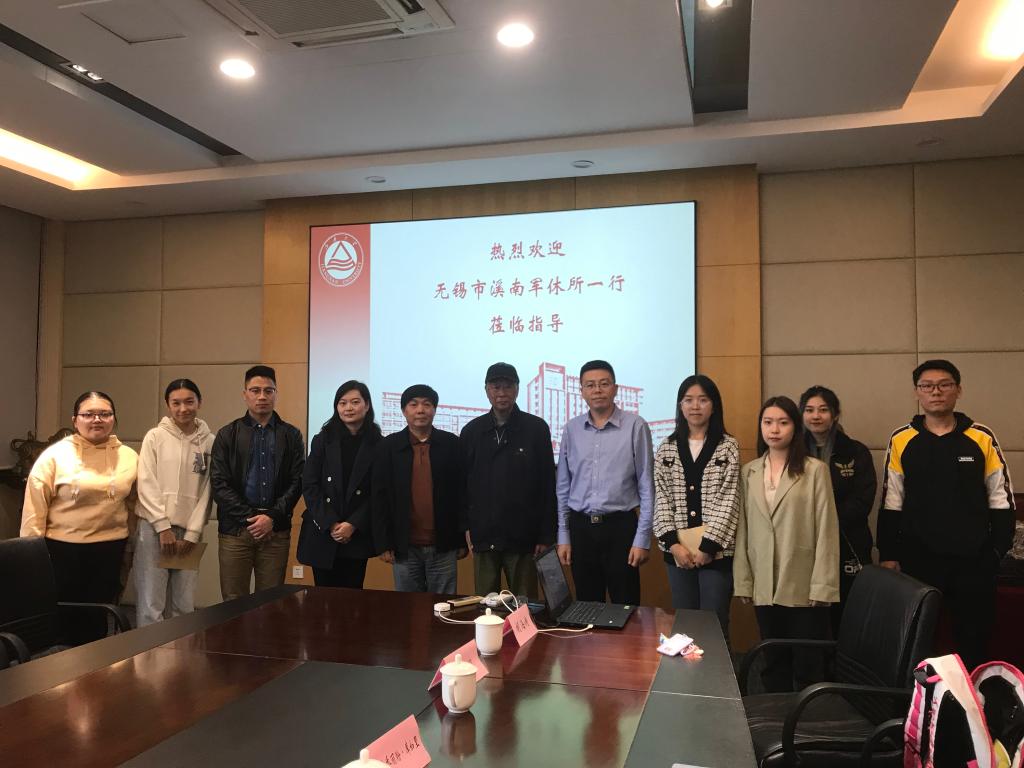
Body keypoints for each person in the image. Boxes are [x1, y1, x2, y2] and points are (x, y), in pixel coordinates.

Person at [877, 360, 1015, 669]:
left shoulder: (981, 437)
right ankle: (922, 697)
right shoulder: (901, 439)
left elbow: (1001, 499)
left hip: (973, 561)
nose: (936, 392)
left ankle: (972, 697)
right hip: (918, 560)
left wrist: (995, 551)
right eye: (927, 386)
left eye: (944, 385)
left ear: (958, 390)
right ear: (917, 392)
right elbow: (891, 501)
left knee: (974, 640)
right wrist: (888, 554)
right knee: (919, 641)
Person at [734, 396, 839, 692]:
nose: (774, 429)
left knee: (808, 662)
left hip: (803, 580)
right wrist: (743, 581)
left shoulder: (815, 469)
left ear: (795, 427)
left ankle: (812, 718)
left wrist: (823, 585)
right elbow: (743, 529)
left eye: (783, 422)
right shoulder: (749, 471)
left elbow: (827, 529)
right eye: (768, 422)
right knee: (773, 660)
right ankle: (775, 715)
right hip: (764, 580)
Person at [21, 391, 138, 644]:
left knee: (99, 613)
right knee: (64, 615)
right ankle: (62, 664)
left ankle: (97, 663)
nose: (97, 419)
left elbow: (134, 503)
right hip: (62, 547)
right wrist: (31, 553)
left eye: (105, 414)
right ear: (75, 420)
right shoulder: (55, 455)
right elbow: (35, 506)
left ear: (113, 419)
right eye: (89, 414)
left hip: (110, 546)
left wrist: (132, 542)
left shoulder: (129, 456)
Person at [556, 360, 654, 605]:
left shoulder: (636, 426)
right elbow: (563, 487)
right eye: (590, 385)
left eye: (604, 384)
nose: (597, 390)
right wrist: (564, 535)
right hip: (581, 529)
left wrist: (642, 539)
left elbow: (646, 485)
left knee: (626, 606)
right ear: (582, 391)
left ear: (615, 388)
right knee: (586, 607)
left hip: (620, 528)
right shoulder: (572, 429)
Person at [653, 375, 740, 638]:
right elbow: (662, 499)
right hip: (677, 553)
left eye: (703, 400)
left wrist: (708, 547)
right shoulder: (667, 448)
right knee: (685, 623)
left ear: (714, 406)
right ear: (680, 406)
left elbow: (729, 501)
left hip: (716, 553)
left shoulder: (728, 447)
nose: (695, 406)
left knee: (714, 623)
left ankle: (717, 668)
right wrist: (674, 544)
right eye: (688, 400)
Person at [460, 362, 556, 597]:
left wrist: (546, 535)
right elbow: (463, 485)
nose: (501, 393)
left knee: (524, 604)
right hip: (484, 535)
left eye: (507, 386)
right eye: (495, 387)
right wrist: (466, 527)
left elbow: (547, 485)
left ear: (517, 389)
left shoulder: (536, 429)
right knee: (486, 605)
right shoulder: (472, 431)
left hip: (523, 536)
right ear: (486, 390)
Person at [211, 365, 304, 601]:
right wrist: (251, 519)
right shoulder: (227, 434)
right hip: (236, 530)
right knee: (233, 600)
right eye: (255, 390)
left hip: (275, 530)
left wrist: (271, 518)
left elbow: (297, 481)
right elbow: (219, 484)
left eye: (268, 391)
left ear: (276, 394)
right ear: (245, 394)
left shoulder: (291, 435)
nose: (262, 396)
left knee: (270, 602)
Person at [133, 379, 215, 626]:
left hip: (190, 532)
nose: (183, 409)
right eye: (176, 403)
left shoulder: (209, 441)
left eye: (189, 402)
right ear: (168, 405)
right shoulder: (154, 436)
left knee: (184, 603)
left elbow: (208, 489)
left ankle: (182, 650)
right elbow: (146, 482)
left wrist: (193, 532)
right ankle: (150, 651)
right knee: (151, 603)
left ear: (200, 402)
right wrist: (162, 527)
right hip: (154, 529)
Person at [372, 384, 468, 593]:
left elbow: (460, 495)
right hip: (404, 546)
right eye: (413, 404)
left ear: (435, 409)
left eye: (427, 404)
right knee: (407, 607)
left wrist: (460, 538)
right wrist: (383, 543)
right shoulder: (388, 447)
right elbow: (379, 498)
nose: (420, 410)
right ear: (404, 410)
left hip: (444, 544)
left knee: (443, 606)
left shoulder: (452, 444)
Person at [799, 385, 876, 634]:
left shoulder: (856, 451)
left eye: (823, 410)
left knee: (848, 615)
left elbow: (863, 501)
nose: (816, 416)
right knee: (810, 617)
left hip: (848, 542)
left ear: (835, 414)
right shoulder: (792, 452)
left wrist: (824, 522)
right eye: (809, 410)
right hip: (804, 543)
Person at [297, 381, 382, 588]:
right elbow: (310, 484)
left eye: (355, 402)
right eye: (342, 403)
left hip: (356, 534)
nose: (348, 408)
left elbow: (379, 492)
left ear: (367, 405)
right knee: (322, 598)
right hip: (324, 531)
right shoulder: (323, 440)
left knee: (352, 597)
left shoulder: (379, 444)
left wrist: (353, 524)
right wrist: (332, 523)